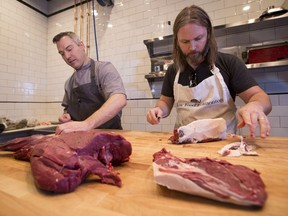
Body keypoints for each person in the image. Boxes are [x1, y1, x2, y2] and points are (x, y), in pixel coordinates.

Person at [146, 5, 272, 138]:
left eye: (198, 38)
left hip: (222, 144)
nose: (192, 47)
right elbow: (165, 102)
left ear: (209, 35)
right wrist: (159, 110)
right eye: (185, 41)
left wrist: (256, 105)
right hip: (184, 143)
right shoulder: (173, 70)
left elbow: (261, 97)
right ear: (177, 41)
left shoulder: (228, 63)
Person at [53, 31, 127, 134]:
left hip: (110, 137)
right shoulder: (69, 83)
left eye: (69, 49)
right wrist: (66, 117)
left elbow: (119, 99)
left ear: (81, 45)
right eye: (62, 53)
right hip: (81, 141)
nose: (67, 56)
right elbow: (67, 109)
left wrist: (87, 124)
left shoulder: (103, 69)